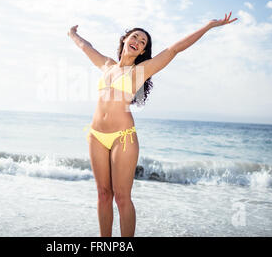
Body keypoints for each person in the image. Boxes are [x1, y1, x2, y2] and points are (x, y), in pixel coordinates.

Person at [67, 12, 238, 237]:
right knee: (103, 195)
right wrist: (72, 34)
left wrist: (208, 26)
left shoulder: (141, 71)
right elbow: (85, 47)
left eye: (143, 42)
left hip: (123, 137)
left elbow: (174, 49)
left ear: (143, 51)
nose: (137, 42)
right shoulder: (107, 65)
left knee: (122, 197)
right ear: (124, 40)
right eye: (135, 37)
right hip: (96, 135)